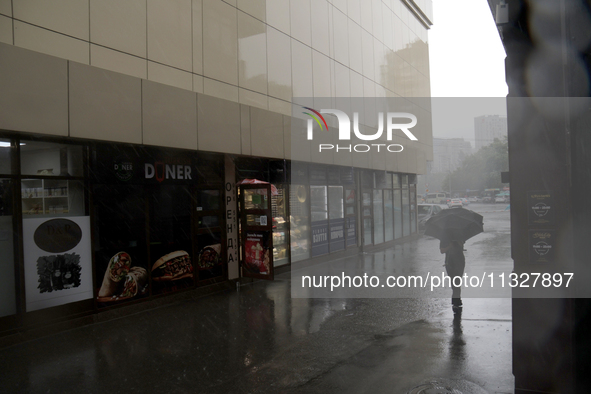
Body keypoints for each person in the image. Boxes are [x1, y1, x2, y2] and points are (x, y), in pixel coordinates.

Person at [440, 234, 466, 313]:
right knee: (454, 282)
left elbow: (462, 247)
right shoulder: (444, 238)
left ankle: (456, 300)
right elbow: (442, 251)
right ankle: (456, 300)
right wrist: (449, 246)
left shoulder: (459, 237)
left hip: (460, 262)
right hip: (450, 263)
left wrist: (459, 242)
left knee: (457, 282)